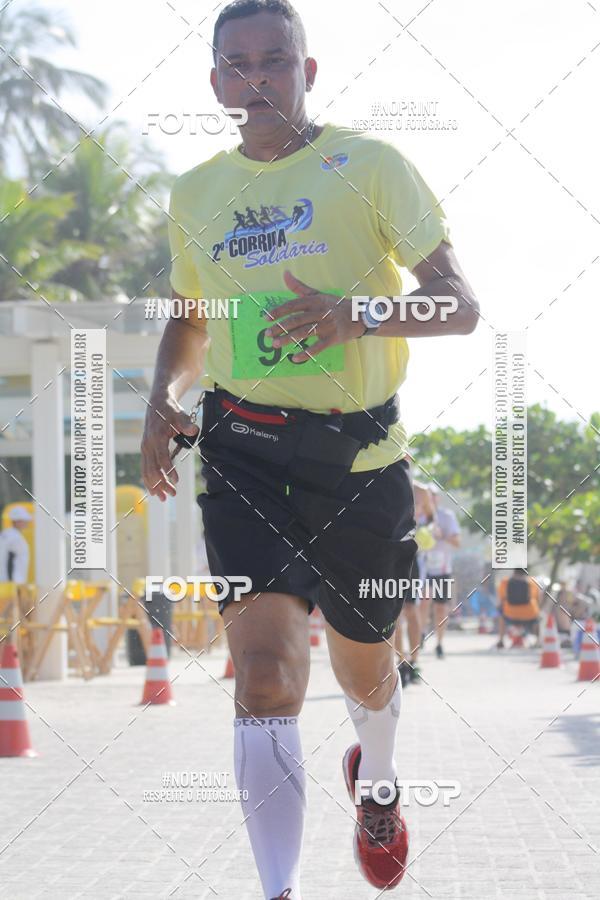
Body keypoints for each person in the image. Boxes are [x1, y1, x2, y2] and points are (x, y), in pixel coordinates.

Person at [141, 1, 479, 895]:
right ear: (216, 82)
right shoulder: (196, 193)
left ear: (308, 70)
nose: (257, 80)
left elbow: (460, 303)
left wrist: (354, 313)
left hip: (360, 463)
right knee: (259, 678)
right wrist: (162, 402)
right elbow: (190, 320)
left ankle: (377, 778)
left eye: (275, 61)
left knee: (366, 669)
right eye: (238, 65)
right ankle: (277, 889)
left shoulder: (368, 165)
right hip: (244, 450)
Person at [395, 480, 435, 686]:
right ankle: (401, 661)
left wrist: (424, 530)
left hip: (412, 557)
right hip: (390, 555)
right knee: (396, 611)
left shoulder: (421, 490)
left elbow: (431, 518)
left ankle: (413, 660)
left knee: (411, 610)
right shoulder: (386, 480)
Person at [419, 485, 461, 659]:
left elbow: (457, 542)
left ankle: (439, 643)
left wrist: (441, 535)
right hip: (422, 568)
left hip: (443, 569)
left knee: (440, 608)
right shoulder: (417, 515)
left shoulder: (447, 516)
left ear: (437, 498)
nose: (430, 499)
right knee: (423, 602)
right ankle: (421, 633)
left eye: (433, 496)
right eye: (427, 496)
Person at [496, 568, 540, 649]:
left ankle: (501, 640)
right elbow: (537, 599)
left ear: (514, 572)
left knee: (500, 614)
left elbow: (501, 600)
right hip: (530, 615)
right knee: (538, 615)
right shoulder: (532, 582)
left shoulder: (505, 582)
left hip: (510, 614)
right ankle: (538, 641)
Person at [0, 505, 32, 584]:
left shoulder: (5, 534)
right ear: (17, 521)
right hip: (12, 583)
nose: (27, 523)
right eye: (25, 521)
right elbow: (10, 561)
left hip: (7, 582)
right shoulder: (15, 538)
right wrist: (12, 583)